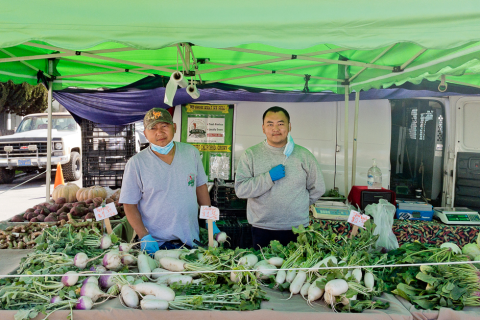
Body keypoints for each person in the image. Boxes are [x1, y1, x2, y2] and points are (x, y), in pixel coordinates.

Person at [119, 107, 215, 255]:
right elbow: (129, 205)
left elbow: (201, 187)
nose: (160, 132)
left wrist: (210, 221)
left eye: (164, 126)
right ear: (145, 133)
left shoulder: (191, 153)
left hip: (191, 241)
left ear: (174, 127)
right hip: (156, 245)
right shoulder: (136, 163)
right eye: (153, 128)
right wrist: (144, 236)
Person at [235, 106, 326, 248]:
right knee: (264, 268)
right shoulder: (250, 155)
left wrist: (298, 204)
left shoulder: (304, 155)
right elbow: (241, 190)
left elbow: (318, 188)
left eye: (281, 124)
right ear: (263, 128)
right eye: (270, 124)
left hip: (297, 228)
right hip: (262, 228)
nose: (275, 128)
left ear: (289, 127)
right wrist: (268, 178)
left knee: (295, 269)